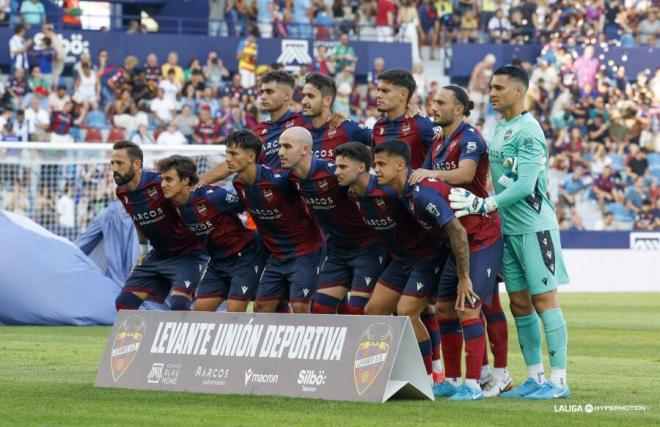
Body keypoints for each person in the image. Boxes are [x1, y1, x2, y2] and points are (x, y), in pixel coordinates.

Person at [449, 65, 570, 399]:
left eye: (499, 87)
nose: (492, 92)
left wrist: (484, 205)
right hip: (509, 229)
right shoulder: (502, 127)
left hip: (534, 226)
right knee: (519, 303)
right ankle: (535, 377)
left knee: (544, 299)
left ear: (519, 91)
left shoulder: (529, 131)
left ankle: (559, 381)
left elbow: (526, 185)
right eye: (491, 87)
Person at [410, 85, 511, 397]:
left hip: (481, 235)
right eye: (433, 101)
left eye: (441, 102)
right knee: (444, 309)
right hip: (457, 238)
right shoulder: (439, 140)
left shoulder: (470, 138)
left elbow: (466, 174)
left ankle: (482, 381)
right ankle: (453, 380)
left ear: (458, 110)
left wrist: (428, 172)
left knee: (472, 308)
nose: (434, 106)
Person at [334, 141, 450, 386]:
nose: (337, 172)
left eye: (342, 166)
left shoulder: (390, 191)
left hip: (425, 257)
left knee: (408, 312)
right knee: (373, 311)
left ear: (362, 168)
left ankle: (430, 379)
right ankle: (380, 375)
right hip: (400, 260)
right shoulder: (354, 194)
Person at [278, 127, 387, 315]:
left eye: (287, 146)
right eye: (280, 146)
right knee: (320, 308)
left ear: (305, 149)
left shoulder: (334, 174)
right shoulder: (291, 178)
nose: (281, 152)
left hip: (368, 247)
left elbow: (372, 184)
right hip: (337, 249)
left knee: (359, 310)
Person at [226, 129, 324, 313]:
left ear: (250, 157)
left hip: (304, 251)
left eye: (233, 153)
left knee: (301, 306)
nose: (228, 158)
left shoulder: (281, 181)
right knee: (261, 307)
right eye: (227, 153)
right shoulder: (238, 183)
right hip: (277, 255)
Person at [158, 155, 267, 312]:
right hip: (217, 263)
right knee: (199, 315)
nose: (163, 185)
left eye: (169, 180)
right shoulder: (170, 206)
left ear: (185, 181)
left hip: (245, 257)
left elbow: (247, 204)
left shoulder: (213, 196)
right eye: (162, 179)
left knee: (235, 311)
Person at [111, 141, 208, 311]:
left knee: (179, 304)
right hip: (159, 255)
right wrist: (143, 250)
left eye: (120, 163)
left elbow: (191, 200)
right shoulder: (122, 192)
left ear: (137, 164)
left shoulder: (161, 183)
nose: (114, 168)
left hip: (188, 254)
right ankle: (141, 338)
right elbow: (137, 219)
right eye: (112, 163)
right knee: (124, 303)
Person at [199, 71, 307, 183]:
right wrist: (199, 181)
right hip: (264, 195)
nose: (263, 97)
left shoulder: (303, 122)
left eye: (269, 92)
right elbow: (233, 161)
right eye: (262, 92)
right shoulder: (257, 132)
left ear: (287, 95)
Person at [372, 69, 440, 169]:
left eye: (385, 91)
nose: (378, 95)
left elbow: (447, 151)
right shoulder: (378, 126)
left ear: (403, 94)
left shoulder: (421, 124)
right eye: (378, 90)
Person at [301, 73, 371, 162]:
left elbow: (379, 138)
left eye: (310, 96)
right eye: (304, 96)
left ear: (327, 100)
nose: (303, 101)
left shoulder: (346, 126)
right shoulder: (296, 123)